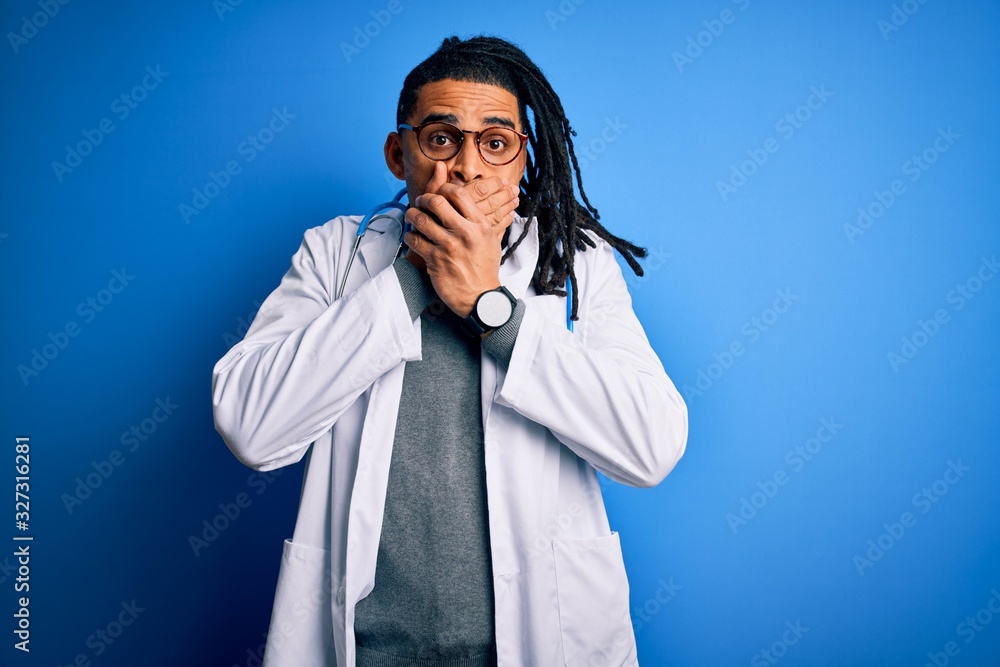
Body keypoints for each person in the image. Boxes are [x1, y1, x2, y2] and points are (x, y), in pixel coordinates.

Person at [212, 35, 687, 667]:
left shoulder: (575, 264)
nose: (467, 166)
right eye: (441, 138)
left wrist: (492, 305)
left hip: (538, 644)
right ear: (397, 153)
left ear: (524, 160)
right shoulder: (336, 254)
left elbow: (651, 447)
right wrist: (417, 273)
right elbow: (251, 427)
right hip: (365, 648)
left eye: (495, 142)